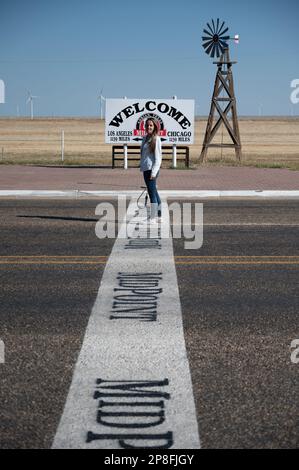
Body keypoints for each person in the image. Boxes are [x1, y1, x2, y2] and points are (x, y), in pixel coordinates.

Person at [140, 118, 162, 223]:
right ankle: (159, 215)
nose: (149, 127)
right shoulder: (145, 138)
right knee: (154, 192)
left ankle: (153, 218)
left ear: (154, 127)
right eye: (147, 125)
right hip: (145, 169)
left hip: (152, 170)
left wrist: (153, 173)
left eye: (151, 125)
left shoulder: (156, 139)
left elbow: (158, 159)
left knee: (151, 193)